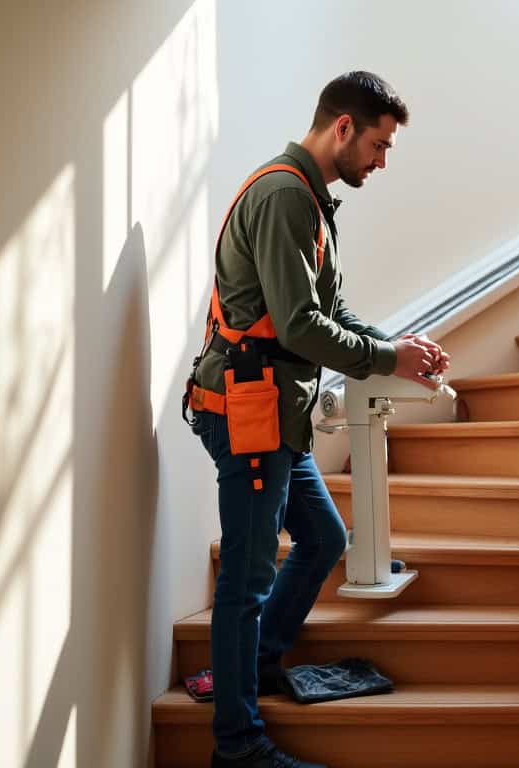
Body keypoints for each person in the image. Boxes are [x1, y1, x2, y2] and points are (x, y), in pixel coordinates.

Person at [184, 71, 450, 768]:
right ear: (342, 128)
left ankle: (259, 664)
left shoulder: (307, 198)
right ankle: (238, 747)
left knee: (324, 538)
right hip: (250, 413)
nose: (381, 161)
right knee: (245, 581)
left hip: (280, 413)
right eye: (379, 144)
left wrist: (399, 351)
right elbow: (302, 328)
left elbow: (330, 312)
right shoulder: (282, 197)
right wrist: (385, 354)